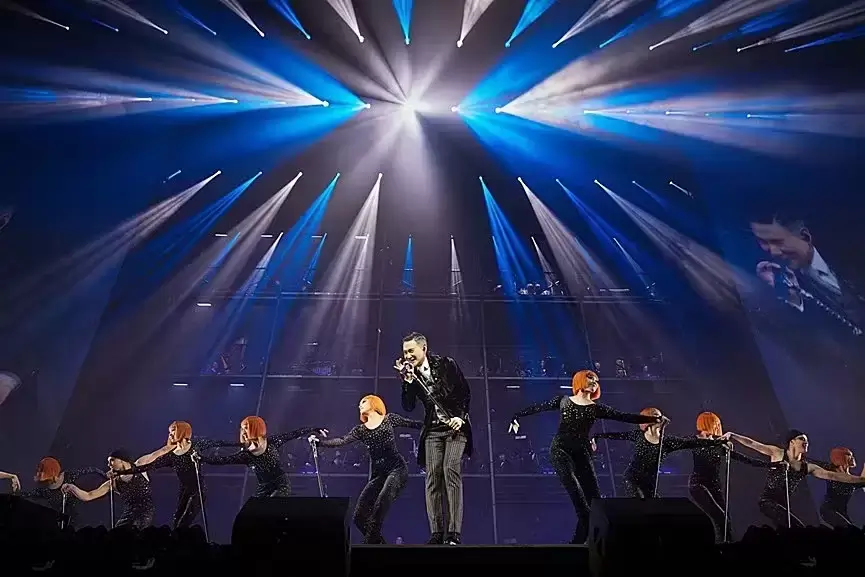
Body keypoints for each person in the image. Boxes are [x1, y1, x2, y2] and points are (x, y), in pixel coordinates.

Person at [509, 370, 662, 544]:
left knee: (595, 502)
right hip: (561, 450)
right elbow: (539, 407)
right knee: (579, 499)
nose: (594, 382)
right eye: (591, 378)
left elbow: (624, 416)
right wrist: (517, 415)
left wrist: (653, 419)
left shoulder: (596, 408)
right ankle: (579, 545)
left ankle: (580, 542)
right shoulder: (563, 401)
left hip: (582, 452)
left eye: (596, 380)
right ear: (580, 380)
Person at [309, 395, 423, 543]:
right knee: (359, 517)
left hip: (396, 469)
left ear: (374, 403)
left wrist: (435, 425)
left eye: (363, 402)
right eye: (359, 404)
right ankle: (379, 544)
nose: (360, 405)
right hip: (378, 474)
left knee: (381, 503)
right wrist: (320, 443)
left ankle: (369, 543)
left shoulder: (389, 419)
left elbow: (413, 424)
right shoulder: (361, 430)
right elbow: (341, 441)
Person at [395, 332, 472, 545]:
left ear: (424, 348)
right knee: (432, 478)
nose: (407, 356)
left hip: (455, 429)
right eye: (404, 352)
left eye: (411, 351)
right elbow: (408, 406)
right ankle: (437, 533)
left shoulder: (446, 364)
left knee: (450, 470)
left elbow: (464, 392)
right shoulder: (412, 375)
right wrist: (407, 382)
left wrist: (460, 417)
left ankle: (453, 533)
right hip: (433, 430)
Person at [106, 421, 238, 529]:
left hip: (198, 489)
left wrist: (240, 444)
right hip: (184, 491)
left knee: (184, 521)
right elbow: (148, 466)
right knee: (177, 521)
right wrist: (122, 472)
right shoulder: (172, 456)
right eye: (169, 432)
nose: (170, 434)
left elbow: (217, 443)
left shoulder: (196, 445)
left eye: (173, 431)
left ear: (182, 431)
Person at [728, 429, 865, 528]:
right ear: (792, 441)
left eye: (807, 441)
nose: (806, 442)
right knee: (795, 528)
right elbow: (753, 444)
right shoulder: (778, 453)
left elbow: (832, 475)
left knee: (788, 531)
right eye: (802, 439)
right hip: (767, 501)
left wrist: (861, 480)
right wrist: (733, 435)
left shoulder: (807, 467)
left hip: (784, 505)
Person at [594, 407, 724, 499]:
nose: (660, 417)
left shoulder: (666, 442)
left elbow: (691, 443)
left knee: (654, 508)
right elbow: (616, 435)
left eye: (660, 415)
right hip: (633, 479)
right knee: (640, 505)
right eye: (656, 415)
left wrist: (718, 442)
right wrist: (596, 437)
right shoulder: (638, 435)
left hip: (650, 482)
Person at [688, 412, 775, 542]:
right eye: (715, 424)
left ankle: (725, 544)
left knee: (725, 520)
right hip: (699, 484)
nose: (717, 427)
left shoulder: (719, 445)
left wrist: (770, 465)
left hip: (715, 486)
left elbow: (744, 459)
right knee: (719, 516)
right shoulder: (694, 441)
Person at [195, 416, 326, 497]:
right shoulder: (246, 455)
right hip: (263, 487)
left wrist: (313, 429)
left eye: (246, 428)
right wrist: (202, 459)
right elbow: (223, 460)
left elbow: (293, 434)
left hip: (281, 484)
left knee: (273, 507)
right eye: (242, 429)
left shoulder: (272, 442)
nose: (243, 432)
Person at [62, 449, 155, 529]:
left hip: (145, 513)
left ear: (121, 460)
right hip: (129, 514)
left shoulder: (139, 465)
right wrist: (72, 487)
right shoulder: (113, 482)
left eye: (112, 460)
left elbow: (158, 453)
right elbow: (88, 496)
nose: (109, 464)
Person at [9, 457, 106, 528]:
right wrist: (15, 492)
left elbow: (90, 470)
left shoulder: (69, 475)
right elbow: (27, 495)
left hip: (82, 518)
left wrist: (105, 475)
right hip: (64, 523)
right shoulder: (45, 491)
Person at [818, 447, 864, 528]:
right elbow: (812, 463)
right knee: (849, 530)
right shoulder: (831, 471)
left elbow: (863, 481)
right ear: (839, 458)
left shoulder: (853, 480)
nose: (852, 457)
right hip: (828, 510)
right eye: (849, 455)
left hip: (842, 512)